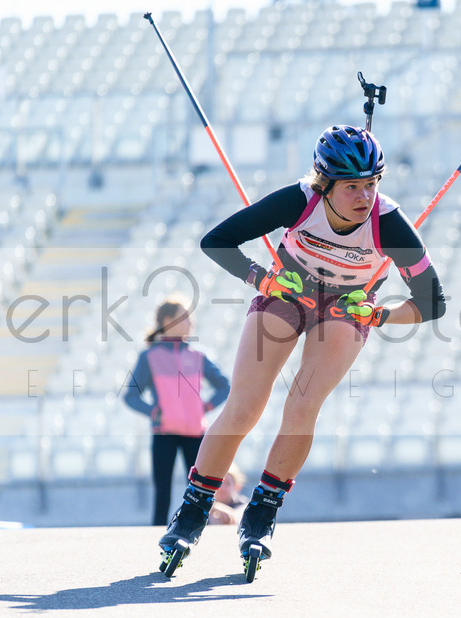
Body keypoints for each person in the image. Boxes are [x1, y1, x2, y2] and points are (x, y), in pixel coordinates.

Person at [158, 124, 446, 578]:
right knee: (245, 407)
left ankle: (262, 513)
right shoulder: (298, 200)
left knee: (302, 406)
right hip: (287, 296)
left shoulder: (389, 224)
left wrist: (380, 315)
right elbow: (215, 241)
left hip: (347, 310)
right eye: (352, 186)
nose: (364, 196)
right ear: (324, 184)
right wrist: (260, 278)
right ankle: (192, 512)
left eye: (372, 183)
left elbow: (433, 303)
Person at [124, 296, 231, 525]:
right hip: (164, 434)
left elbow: (225, 386)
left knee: (200, 491)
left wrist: (205, 407)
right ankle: (157, 540)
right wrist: (155, 413)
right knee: (162, 492)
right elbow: (131, 396)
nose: (191, 322)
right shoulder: (149, 356)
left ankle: (197, 532)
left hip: (196, 433)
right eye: (185, 317)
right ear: (167, 320)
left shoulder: (198, 356)